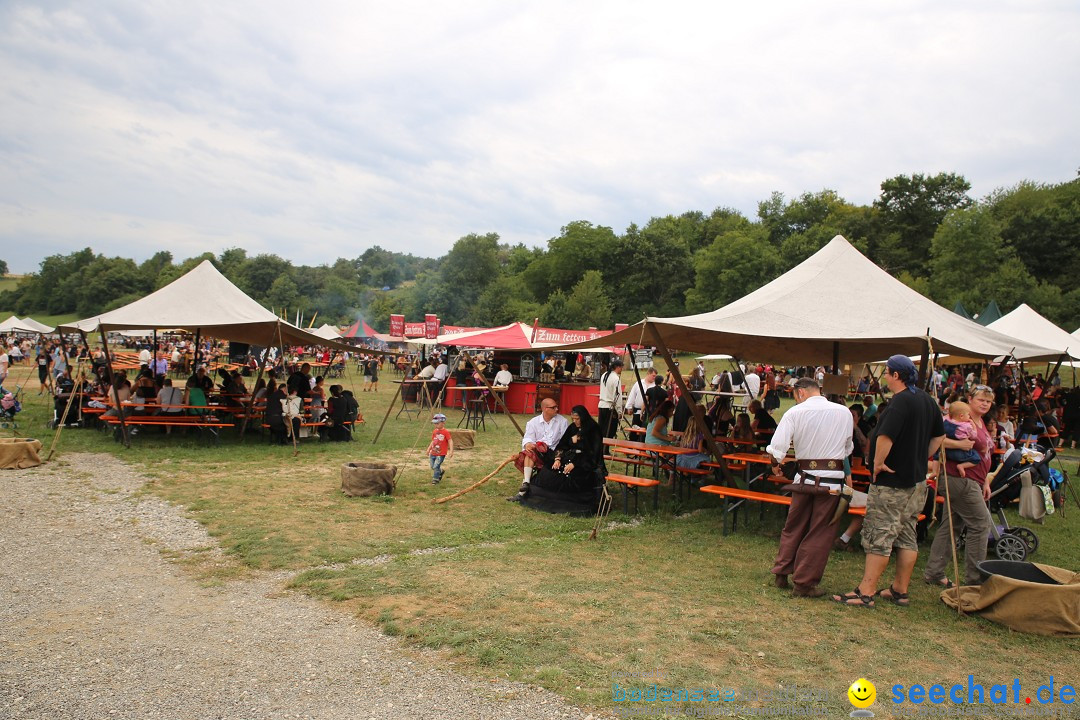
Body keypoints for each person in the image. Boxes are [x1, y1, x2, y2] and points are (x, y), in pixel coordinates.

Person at [834, 355, 944, 608]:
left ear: (896, 375)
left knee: (879, 535)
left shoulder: (899, 402)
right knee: (907, 534)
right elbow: (939, 437)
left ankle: (866, 591)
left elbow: (885, 437)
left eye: (887, 372)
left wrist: (878, 464)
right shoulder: (927, 400)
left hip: (892, 482)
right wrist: (920, 456)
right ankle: (899, 590)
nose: (885, 376)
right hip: (917, 482)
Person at [768, 377, 854, 598]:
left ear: (800, 393)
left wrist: (775, 465)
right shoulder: (843, 412)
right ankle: (804, 583)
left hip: (804, 479)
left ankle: (782, 573)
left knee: (794, 526)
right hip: (831, 481)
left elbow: (777, 447)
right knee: (820, 531)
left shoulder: (794, 413)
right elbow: (847, 448)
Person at [923, 384, 995, 589]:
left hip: (974, 479)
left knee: (951, 525)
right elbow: (937, 439)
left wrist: (986, 480)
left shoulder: (981, 422)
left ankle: (934, 572)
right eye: (981, 399)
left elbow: (984, 456)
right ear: (970, 399)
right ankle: (975, 580)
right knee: (981, 525)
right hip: (960, 479)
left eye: (988, 401)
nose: (985, 404)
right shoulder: (958, 418)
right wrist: (959, 445)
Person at [531, 405, 603, 494]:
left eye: (577, 419)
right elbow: (562, 445)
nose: (574, 421)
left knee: (572, 476)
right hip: (569, 456)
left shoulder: (593, 429)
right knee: (549, 471)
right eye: (573, 419)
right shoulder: (572, 427)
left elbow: (593, 452)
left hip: (586, 462)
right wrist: (557, 459)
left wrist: (575, 464)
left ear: (583, 417)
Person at [510, 398, 569, 502]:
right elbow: (528, 438)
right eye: (554, 407)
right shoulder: (533, 422)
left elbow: (565, 443)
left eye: (556, 406)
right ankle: (526, 483)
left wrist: (558, 457)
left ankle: (524, 488)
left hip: (556, 454)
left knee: (533, 450)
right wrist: (528, 443)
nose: (557, 409)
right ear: (545, 409)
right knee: (529, 451)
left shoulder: (562, 422)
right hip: (540, 454)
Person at [942, 401, 981, 477]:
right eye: (968, 414)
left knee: (937, 456)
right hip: (960, 453)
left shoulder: (946, 421)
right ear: (961, 416)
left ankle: (934, 470)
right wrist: (974, 426)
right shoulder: (966, 426)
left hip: (947, 452)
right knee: (976, 458)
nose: (969, 416)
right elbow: (974, 436)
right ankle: (962, 466)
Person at [597, 359, 623, 439]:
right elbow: (618, 395)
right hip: (609, 407)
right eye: (621, 367)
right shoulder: (615, 378)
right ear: (618, 367)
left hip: (602, 405)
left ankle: (602, 449)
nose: (621, 369)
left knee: (602, 429)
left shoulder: (604, 375)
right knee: (609, 430)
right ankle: (605, 450)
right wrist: (619, 410)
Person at [426, 413, 453, 484]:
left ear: (443, 423)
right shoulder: (435, 431)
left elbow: (450, 441)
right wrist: (429, 449)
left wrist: (451, 451)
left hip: (441, 453)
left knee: (436, 466)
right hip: (433, 452)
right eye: (435, 424)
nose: (436, 425)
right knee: (433, 466)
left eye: (437, 423)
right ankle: (440, 471)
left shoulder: (445, 432)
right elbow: (433, 441)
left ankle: (435, 479)